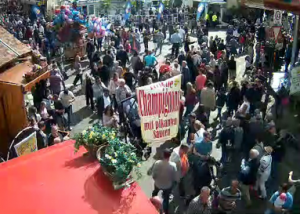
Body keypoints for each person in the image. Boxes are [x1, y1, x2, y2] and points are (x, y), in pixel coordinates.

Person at [151, 148, 177, 214]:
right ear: (170, 156)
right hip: (167, 186)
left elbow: (154, 175)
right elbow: (174, 177)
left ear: (163, 155)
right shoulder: (173, 165)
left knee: (155, 193)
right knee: (166, 199)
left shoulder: (157, 163)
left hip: (158, 184)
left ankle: (152, 204)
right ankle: (165, 211)